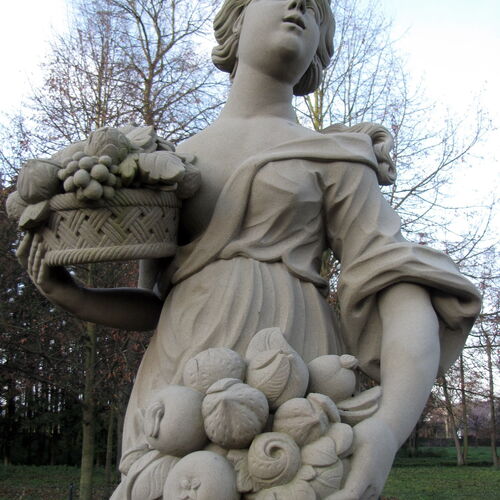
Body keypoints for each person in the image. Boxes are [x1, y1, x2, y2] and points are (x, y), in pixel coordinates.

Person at [20, 0, 481, 497]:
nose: (300, 5)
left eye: (315, 10)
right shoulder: (165, 164)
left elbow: (399, 282)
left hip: (293, 377)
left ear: (319, 49)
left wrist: (388, 427)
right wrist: (71, 295)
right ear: (235, 21)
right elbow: (155, 303)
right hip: (177, 384)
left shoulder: (337, 157)